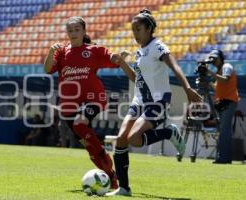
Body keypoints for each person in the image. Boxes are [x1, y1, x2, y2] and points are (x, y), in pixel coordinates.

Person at [106, 9, 202, 196]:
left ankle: (169, 132)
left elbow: (174, 65)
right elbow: (137, 79)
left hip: (157, 101)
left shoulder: (158, 46)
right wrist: (122, 63)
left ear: (149, 28)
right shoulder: (140, 52)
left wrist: (187, 88)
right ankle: (124, 188)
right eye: (133, 29)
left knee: (134, 137)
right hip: (139, 101)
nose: (135, 33)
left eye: (138, 29)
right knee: (121, 140)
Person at [44, 16, 131, 189]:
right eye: (70, 30)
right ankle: (112, 178)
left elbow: (111, 58)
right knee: (89, 148)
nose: (73, 33)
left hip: (93, 98)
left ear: (84, 32)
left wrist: (117, 58)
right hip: (69, 106)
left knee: (79, 122)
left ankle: (107, 162)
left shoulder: (93, 50)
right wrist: (50, 53)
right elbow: (47, 70)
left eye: (77, 29)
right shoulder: (61, 52)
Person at [206, 49, 240, 164]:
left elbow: (225, 80)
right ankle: (224, 157)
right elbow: (218, 87)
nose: (214, 61)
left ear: (221, 58)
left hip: (229, 102)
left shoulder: (227, 66)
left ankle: (224, 158)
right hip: (224, 103)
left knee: (225, 131)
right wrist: (208, 83)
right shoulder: (220, 69)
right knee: (224, 131)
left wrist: (210, 73)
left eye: (216, 58)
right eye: (212, 59)